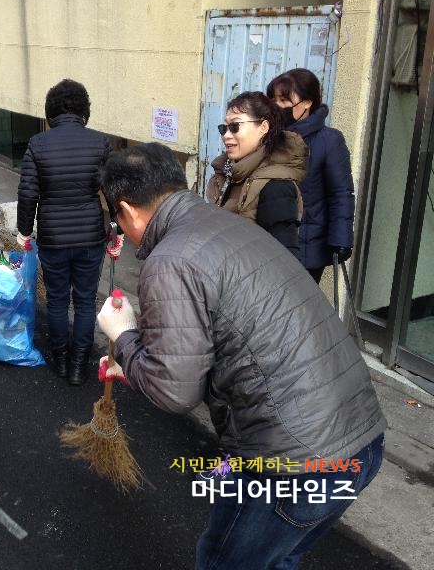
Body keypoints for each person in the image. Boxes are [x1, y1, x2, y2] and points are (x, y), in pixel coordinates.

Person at [96, 142, 387, 570]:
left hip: (296, 464)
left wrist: (122, 336)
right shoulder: (229, 225)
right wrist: (138, 353)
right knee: (280, 556)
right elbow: (219, 343)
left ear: (126, 210)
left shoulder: (170, 259)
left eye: (117, 220)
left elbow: (174, 392)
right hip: (361, 442)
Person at [16, 78, 114, 386]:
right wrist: (118, 230)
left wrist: (24, 231)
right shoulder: (100, 142)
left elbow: (28, 193)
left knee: (57, 300)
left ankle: (60, 359)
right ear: (84, 109)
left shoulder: (37, 144)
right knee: (85, 301)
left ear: (51, 111)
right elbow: (115, 190)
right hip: (90, 235)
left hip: (53, 237)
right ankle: (78, 366)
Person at [267, 68, 355, 283]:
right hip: (268, 240)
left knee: (297, 301)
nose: (277, 106)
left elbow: (341, 192)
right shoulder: (268, 136)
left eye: (284, 100)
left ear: (307, 103)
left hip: (307, 243)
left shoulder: (329, 140)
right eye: (273, 99)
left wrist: (341, 239)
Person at [206, 91, 307, 259]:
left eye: (235, 126)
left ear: (263, 127)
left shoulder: (276, 187)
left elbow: (285, 261)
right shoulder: (230, 173)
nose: (226, 135)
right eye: (224, 128)